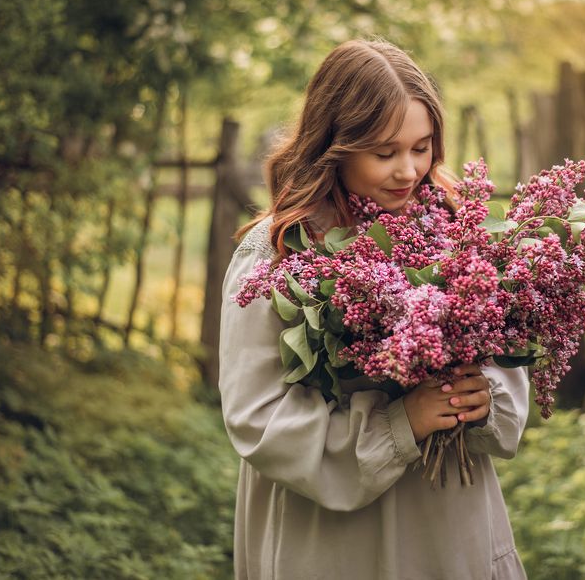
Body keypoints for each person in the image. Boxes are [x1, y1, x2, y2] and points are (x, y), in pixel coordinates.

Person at [219, 39, 530, 579]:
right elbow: (257, 416)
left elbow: (502, 367)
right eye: (384, 153)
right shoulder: (279, 257)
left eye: (422, 147)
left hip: (446, 517)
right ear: (333, 146)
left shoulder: (457, 233)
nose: (408, 171)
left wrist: (482, 397)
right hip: (329, 537)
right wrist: (399, 425)